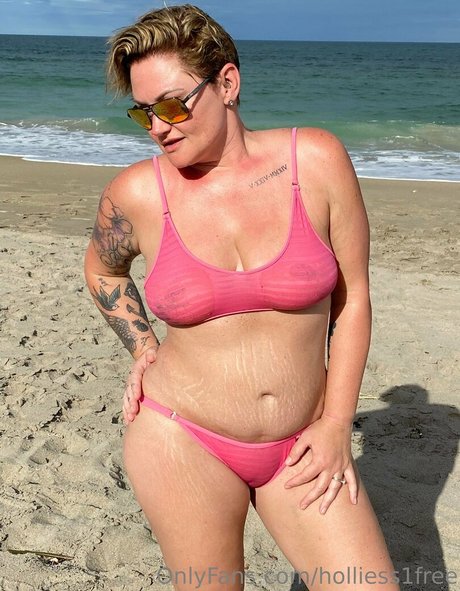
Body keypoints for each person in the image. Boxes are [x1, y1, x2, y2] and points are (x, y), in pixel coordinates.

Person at [84, 4, 399, 590]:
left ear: (227, 83)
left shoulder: (316, 161)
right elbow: (103, 270)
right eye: (142, 112)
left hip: (302, 444)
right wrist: (143, 346)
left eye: (172, 105)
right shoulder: (137, 194)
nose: (158, 127)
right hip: (181, 437)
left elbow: (353, 301)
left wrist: (337, 424)